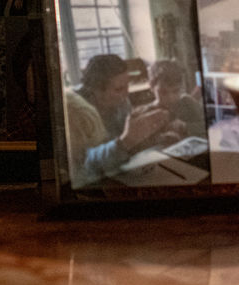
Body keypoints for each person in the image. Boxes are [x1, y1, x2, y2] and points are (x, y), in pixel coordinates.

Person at [65, 53, 172, 188]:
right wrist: (125, 142)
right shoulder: (75, 112)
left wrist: (153, 136)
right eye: (119, 89)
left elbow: (126, 140)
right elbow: (84, 167)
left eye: (128, 85)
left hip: (119, 172)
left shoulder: (122, 102)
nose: (126, 94)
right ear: (95, 90)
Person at [148, 60, 207, 139]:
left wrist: (185, 126)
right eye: (163, 92)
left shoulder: (187, 102)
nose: (170, 98)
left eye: (175, 91)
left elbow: (208, 124)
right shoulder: (149, 112)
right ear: (151, 87)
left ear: (182, 86)